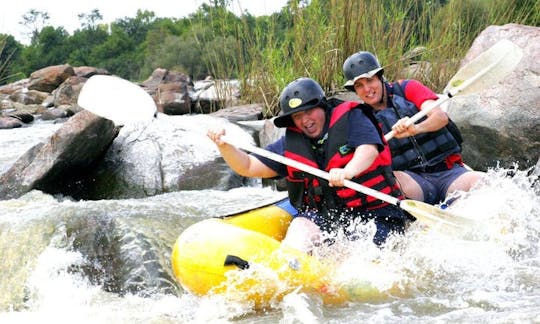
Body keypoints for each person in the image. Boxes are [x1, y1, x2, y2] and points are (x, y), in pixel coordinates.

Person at [207, 77, 407, 253]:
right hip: (330, 217)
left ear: (323, 107)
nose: (305, 120)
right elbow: (248, 166)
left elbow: (368, 149)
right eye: (297, 116)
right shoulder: (291, 143)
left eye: (309, 111)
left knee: (353, 256)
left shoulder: (353, 118)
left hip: (377, 213)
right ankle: (290, 267)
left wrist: (348, 171)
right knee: (301, 225)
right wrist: (225, 147)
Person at [342, 51, 484, 205]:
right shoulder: (362, 117)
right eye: (359, 86)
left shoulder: (407, 88)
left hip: (449, 173)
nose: (367, 89)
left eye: (370, 80)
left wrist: (416, 128)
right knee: (389, 179)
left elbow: (440, 117)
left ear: (380, 77)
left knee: (482, 182)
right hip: (414, 182)